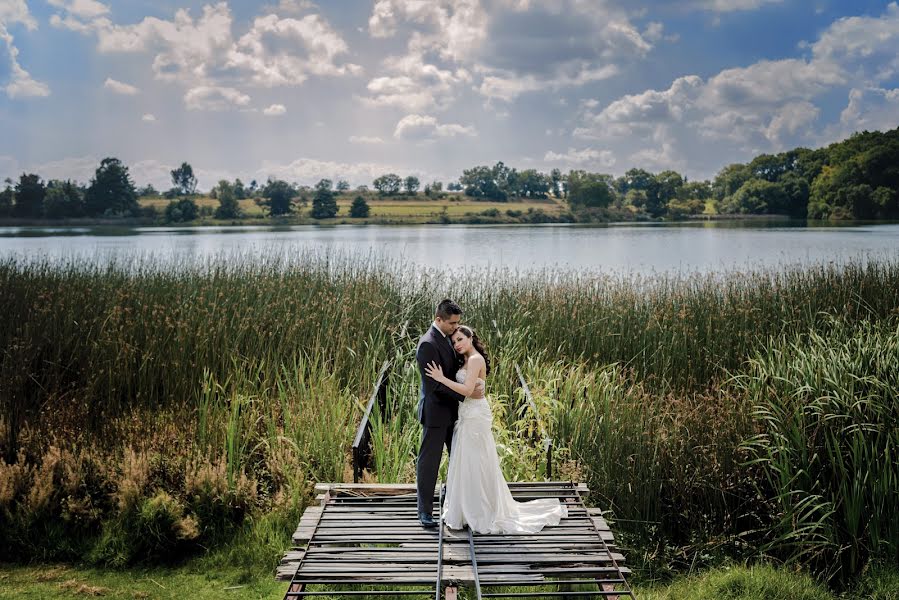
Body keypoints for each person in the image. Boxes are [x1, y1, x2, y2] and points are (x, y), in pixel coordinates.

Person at [424, 325, 567, 534]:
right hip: (466, 414)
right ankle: (465, 510)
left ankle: (481, 511)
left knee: (477, 461)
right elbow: (470, 390)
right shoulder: (465, 360)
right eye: (454, 342)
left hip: (475, 417)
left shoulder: (475, 360)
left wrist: (441, 378)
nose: (457, 344)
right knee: (466, 461)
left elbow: (466, 390)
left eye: (461, 339)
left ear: (470, 338)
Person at [415, 299, 465, 528]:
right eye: (452, 323)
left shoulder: (446, 338)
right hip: (436, 414)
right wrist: (464, 395)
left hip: (454, 413)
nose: (456, 327)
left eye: (458, 323)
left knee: (459, 459)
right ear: (438, 320)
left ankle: (451, 500)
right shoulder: (428, 344)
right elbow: (434, 385)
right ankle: (425, 512)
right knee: (429, 463)